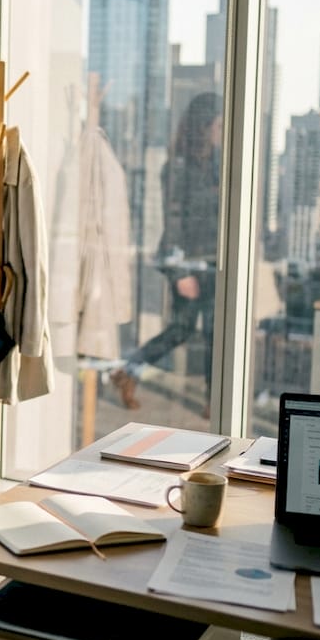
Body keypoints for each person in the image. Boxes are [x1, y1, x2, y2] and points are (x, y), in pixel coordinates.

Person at [110, 92, 223, 414]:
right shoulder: (177, 166)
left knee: (213, 332)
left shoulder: (217, 163)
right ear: (204, 126)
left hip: (214, 262)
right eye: (217, 125)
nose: (220, 131)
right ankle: (130, 370)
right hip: (188, 263)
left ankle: (212, 399)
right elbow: (172, 220)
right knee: (183, 329)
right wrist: (179, 272)